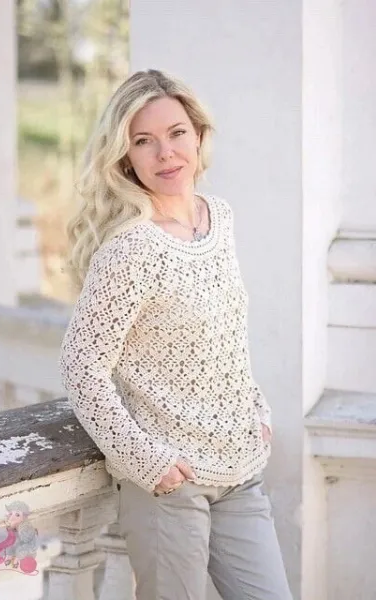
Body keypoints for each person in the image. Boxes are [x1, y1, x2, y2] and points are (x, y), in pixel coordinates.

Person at [58, 68, 292, 600]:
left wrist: (256, 410)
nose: (165, 153)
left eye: (177, 133)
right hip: (171, 485)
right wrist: (148, 461)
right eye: (144, 140)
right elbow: (81, 367)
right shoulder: (130, 250)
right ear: (125, 157)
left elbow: (225, 336)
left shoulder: (218, 218)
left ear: (199, 135)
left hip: (240, 470)